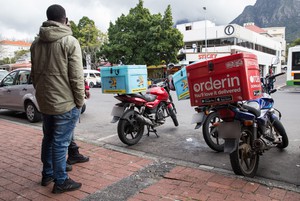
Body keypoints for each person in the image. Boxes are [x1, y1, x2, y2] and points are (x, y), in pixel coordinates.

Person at [30, 4, 85, 194]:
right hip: (64, 102)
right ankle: (60, 181)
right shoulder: (70, 42)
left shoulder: (36, 43)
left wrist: (42, 95)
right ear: (65, 19)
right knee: (61, 142)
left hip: (45, 102)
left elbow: (34, 75)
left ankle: (47, 174)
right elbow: (77, 77)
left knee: (49, 138)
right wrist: (80, 101)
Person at [66, 80, 90, 169]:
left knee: (67, 132)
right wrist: (80, 102)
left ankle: (73, 154)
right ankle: (59, 170)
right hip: (67, 101)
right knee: (64, 136)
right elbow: (77, 77)